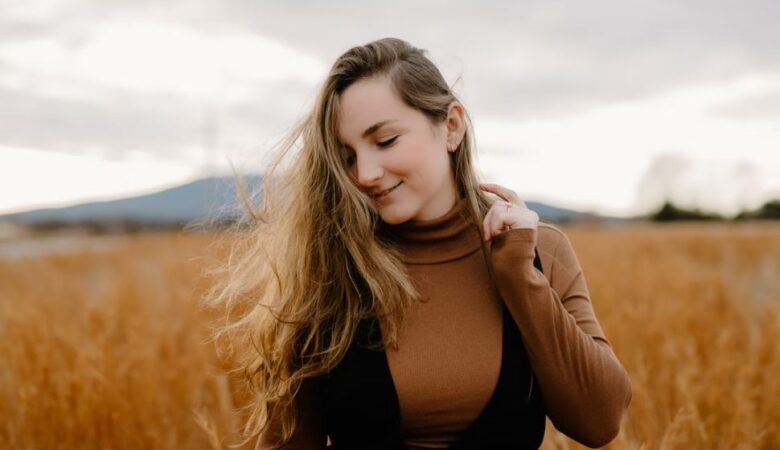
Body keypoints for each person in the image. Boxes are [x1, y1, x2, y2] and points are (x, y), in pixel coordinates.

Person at [204, 37, 632, 450]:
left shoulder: (539, 250)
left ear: (451, 126)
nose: (364, 174)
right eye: (347, 156)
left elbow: (598, 422)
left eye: (385, 141)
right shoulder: (329, 264)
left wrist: (520, 278)